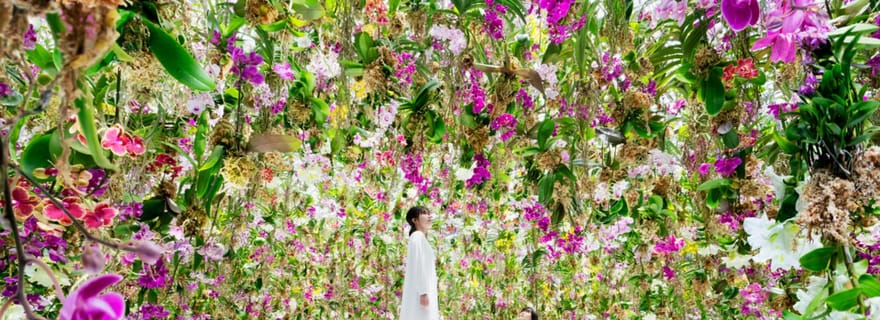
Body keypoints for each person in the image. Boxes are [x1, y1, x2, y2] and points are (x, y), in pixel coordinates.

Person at [400, 206, 440, 320]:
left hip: (423, 291)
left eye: (429, 213)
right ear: (414, 220)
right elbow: (419, 265)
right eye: (424, 213)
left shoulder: (419, 238)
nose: (429, 216)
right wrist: (423, 292)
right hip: (421, 293)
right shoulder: (417, 237)